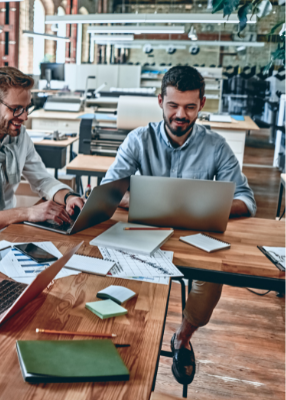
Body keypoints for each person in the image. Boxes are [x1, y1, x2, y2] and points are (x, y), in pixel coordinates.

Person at [101, 65, 256, 385]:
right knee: (118, 269)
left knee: (212, 277)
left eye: (189, 106)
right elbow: (110, 190)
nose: (180, 114)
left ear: (201, 104)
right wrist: (136, 199)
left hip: (198, 238)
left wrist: (206, 205)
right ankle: (130, 341)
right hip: (146, 234)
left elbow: (246, 201)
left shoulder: (216, 146)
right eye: (173, 105)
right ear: (160, 101)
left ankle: (183, 338)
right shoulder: (139, 139)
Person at [0, 67, 85, 244]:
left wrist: (69, 197)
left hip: (14, 232)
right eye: (16, 109)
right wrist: (27, 213)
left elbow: (43, 180)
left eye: (27, 108)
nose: (24, 116)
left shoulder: (19, 137)